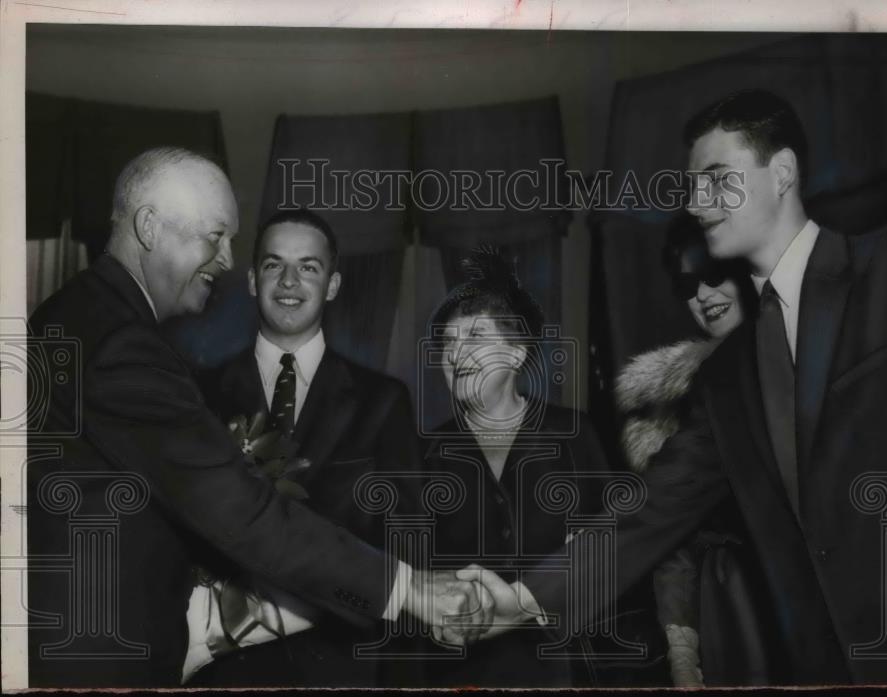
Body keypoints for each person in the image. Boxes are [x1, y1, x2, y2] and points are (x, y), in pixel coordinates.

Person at [466, 89, 887, 686]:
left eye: (718, 179)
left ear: (783, 173)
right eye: (692, 186)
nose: (696, 202)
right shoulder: (726, 372)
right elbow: (649, 511)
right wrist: (520, 598)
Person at [25, 147, 490, 688]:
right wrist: (409, 591)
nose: (225, 257)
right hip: (104, 658)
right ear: (149, 227)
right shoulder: (121, 343)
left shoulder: (75, 315)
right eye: (215, 236)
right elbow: (237, 510)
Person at [185, 208, 423, 687]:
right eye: (274, 265)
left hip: (341, 669)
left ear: (332, 284)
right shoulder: (197, 395)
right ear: (253, 280)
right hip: (224, 673)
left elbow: (408, 547)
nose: (289, 282)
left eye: (308, 267)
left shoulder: (384, 401)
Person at [417, 246, 610, 687]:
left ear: (518, 353)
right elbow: (414, 568)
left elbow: (608, 553)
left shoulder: (573, 434)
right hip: (459, 671)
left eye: (475, 337)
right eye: (448, 342)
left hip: (560, 669)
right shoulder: (425, 452)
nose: (456, 354)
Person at [616, 217, 770, 687]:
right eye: (686, 283)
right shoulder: (675, 398)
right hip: (739, 616)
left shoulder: (820, 359)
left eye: (713, 273)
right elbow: (673, 542)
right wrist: (684, 655)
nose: (703, 295)